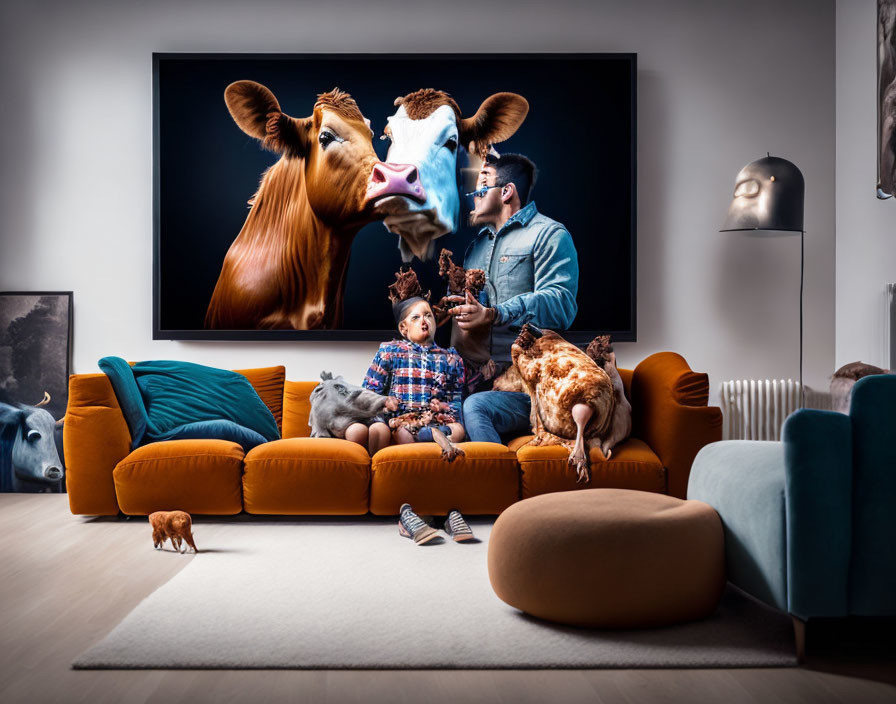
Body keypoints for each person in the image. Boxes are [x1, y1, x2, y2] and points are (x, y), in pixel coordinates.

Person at [449, 153, 579, 443]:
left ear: (506, 192)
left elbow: (560, 304)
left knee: (475, 407)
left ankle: (496, 483)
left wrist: (495, 313)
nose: (474, 198)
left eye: (481, 189)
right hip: (476, 379)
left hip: (528, 385)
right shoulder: (476, 247)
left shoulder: (549, 235)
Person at [354, 270, 474, 545]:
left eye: (429, 316)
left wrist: (451, 419)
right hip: (402, 420)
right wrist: (383, 414)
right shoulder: (390, 351)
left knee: (456, 430)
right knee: (405, 435)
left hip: (435, 421)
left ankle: (444, 509)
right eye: (416, 317)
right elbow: (369, 393)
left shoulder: (451, 359)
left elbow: (455, 399)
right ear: (403, 328)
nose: (424, 322)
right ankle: (409, 507)